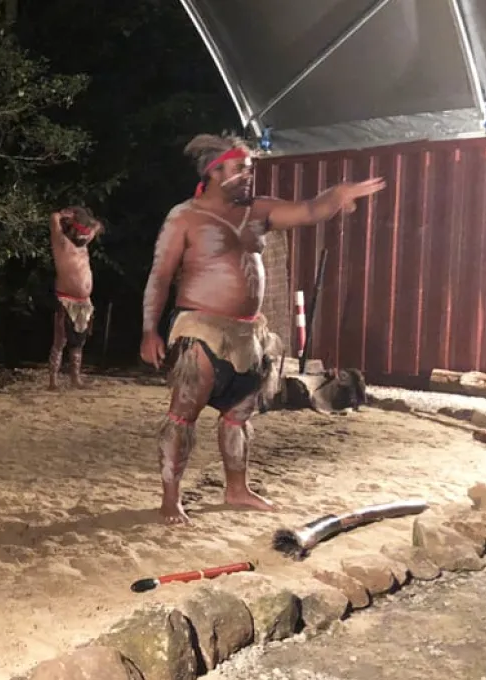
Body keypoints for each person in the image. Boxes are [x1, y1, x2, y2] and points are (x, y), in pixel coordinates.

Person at [140, 133, 386, 525]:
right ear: (215, 172)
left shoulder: (258, 211)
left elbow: (308, 210)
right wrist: (149, 330)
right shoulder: (184, 217)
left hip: (249, 335)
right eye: (241, 169)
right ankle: (171, 499)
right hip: (201, 330)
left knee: (239, 416)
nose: (249, 176)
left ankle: (236, 488)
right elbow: (161, 274)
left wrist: (336, 195)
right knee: (182, 415)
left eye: (251, 169)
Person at [47, 206, 103, 390]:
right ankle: (53, 381)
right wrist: (67, 215)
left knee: (79, 341)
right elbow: (53, 217)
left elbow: (97, 225)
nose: (83, 235)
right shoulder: (61, 243)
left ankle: (75, 378)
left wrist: (83, 218)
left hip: (84, 302)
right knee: (60, 340)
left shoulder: (83, 243)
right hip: (66, 299)